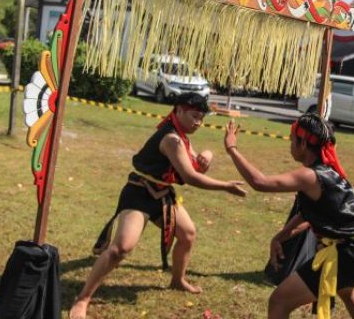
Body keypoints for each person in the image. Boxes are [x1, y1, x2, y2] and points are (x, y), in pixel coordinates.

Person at [69, 93, 247, 319]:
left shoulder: (181, 136)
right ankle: (83, 298)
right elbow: (190, 177)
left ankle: (177, 280)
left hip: (163, 195)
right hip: (140, 193)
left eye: (202, 119)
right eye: (194, 116)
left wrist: (208, 155)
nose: (198, 123)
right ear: (179, 111)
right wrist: (225, 186)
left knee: (188, 234)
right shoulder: (171, 139)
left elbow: (196, 167)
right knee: (121, 248)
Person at [223, 114, 354, 319]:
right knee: (345, 288)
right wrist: (281, 236)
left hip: (349, 252)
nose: (290, 144)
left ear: (303, 143)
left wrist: (231, 148)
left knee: (279, 301)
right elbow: (310, 214)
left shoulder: (309, 176)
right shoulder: (328, 171)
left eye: (292, 139)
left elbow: (259, 182)